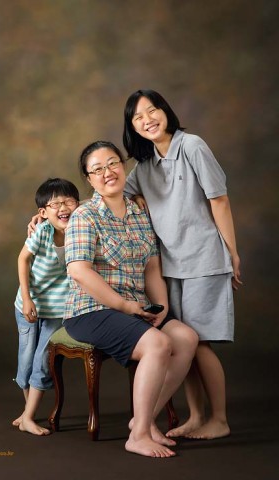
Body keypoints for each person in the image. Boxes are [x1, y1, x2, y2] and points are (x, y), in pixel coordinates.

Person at [63, 140, 198, 458]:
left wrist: (162, 308)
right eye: (97, 169)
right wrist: (123, 306)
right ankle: (138, 437)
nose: (107, 172)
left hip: (135, 306)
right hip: (91, 309)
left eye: (113, 163)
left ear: (123, 166)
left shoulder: (140, 213)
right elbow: (79, 271)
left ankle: (144, 420)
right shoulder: (84, 215)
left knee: (185, 338)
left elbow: (152, 267)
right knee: (157, 344)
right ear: (89, 178)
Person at [123, 89, 243, 440]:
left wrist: (232, 253)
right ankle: (196, 416)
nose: (148, 120)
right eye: (138, 117)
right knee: (184, 341)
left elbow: (219, 200)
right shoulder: (145, 166)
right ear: (132, 127)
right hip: (169, 267)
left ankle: (219, 419)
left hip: (204, 259)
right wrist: (55, 217)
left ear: (166, 111)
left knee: (200, 343)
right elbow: (115, 194)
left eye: (153, 110)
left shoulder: (192, 146)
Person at [13, 177, 80, 435]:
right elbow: (22, 260)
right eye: (55, 204)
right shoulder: (42, 231)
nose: (63, 208)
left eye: (68, 202)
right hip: (28, 304)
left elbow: (98, 201)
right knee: (26, 358)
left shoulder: (82, 228)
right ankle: (27, 412)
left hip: (57, 309)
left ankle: (28, 417)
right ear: (42, 212)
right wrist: (27, 298)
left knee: (42, 359)